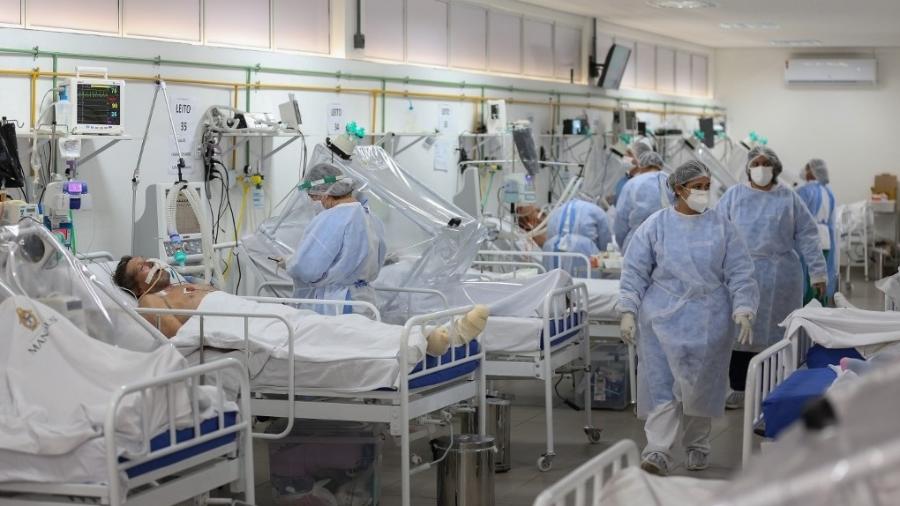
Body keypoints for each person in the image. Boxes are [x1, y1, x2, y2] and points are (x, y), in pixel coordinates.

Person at [618, 160, 758, 476]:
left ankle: (697, 445)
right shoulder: (655, 226)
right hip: (660, 320)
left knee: (700, 388)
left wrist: (744, 308)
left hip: (709, 319)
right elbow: (635, 271)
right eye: (698, 186)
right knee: (662, 387)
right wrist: (628, 309)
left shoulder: (722, 226)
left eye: (707, 186)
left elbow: (740, 270)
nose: (704, 192)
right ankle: (657, 450)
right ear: (679, 189)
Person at [112, 255, 488, 355]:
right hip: (235, 325)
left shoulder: (183, 283)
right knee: (324, 332)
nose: (151, 264)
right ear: (134, 283)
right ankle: (420, 340)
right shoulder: (149, 300)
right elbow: (183, 340)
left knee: (323, 324)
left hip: (251, 312)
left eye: (148, 258)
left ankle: (429, 335)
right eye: (141, 267)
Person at [716, 146, 827, 409]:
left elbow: (808, 236)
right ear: (748, 167)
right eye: (756, 163)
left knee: (779, 332)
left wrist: (818, 273)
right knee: (741, 332)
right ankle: (740, 388)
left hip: (782, 275)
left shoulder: (788, 197)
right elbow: (715, 232)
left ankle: (774, 387)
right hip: (741, 273)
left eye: (766, 163)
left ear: (775, 168)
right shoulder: (734, 196)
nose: (761, 168)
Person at [287, 162, 387, 315]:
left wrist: (289, 262)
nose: (313, 202)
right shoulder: (371, 218)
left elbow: (306, 269)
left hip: (338, 302)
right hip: (365, 300)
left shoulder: (332, 218)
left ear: (324, 194)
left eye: (312, 196)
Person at [614, 151, 674, 252]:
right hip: (669, 242)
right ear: (660, 165)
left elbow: (621, 219)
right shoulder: (673, 182)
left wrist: (623, 244)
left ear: (641, 166)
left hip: (638, 242)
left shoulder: (632, 184)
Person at [796, 158, 837, 302]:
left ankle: (808, 311)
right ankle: (821, 308)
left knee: (810, 276)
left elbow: (796, 217)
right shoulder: (828, 192)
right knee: (822, 276)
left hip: (810, 239)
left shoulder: (804, 191)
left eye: (806, 168)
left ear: (812, 171)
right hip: (826, 239)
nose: (804, 171)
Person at [542, 197, 612, 277]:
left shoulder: (556, 211)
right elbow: (606, 245)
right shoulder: (597, 211)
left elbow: (550, 234)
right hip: (583, 252)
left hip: (552, 251)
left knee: (553, 284)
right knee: (586, 285)